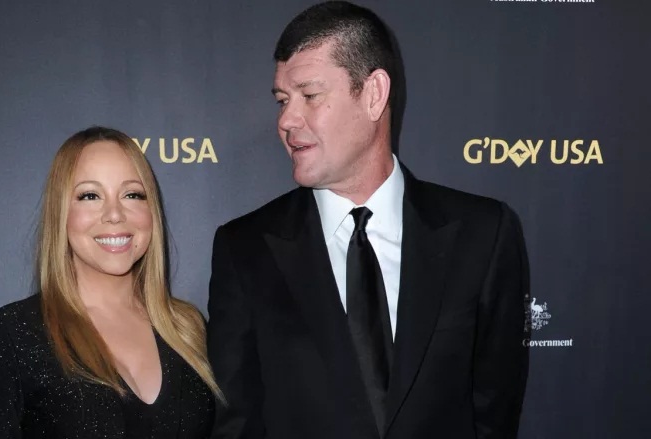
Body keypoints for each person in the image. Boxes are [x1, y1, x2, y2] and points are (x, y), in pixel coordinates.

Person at [207, 2, 529, 438]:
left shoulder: (483, 234)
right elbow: (237, 425)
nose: (286, 120)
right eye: (283, 100)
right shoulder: (244, 249)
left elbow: (495, 413)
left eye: (309, 95)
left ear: (374, 94)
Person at [0, 127, 219, 438]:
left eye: (132, 194)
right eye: (90, 196)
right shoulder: (14, 333)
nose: (114, 214)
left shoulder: (187, 326)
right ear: (61, 213)